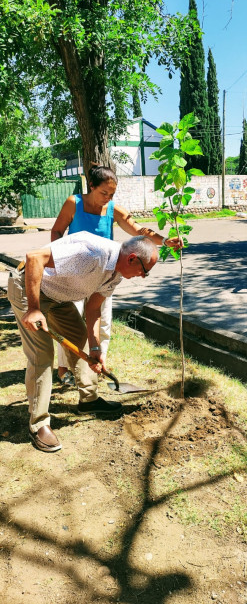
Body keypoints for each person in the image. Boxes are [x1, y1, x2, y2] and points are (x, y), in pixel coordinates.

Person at [7, 231, 159, 453]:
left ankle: (88, 400)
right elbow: (34, 257)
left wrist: (96, 348)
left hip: (59, 298)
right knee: (42, 356)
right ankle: (39, 424)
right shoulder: (92, 253)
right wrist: (34, 309)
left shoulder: (115, 273)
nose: (143, 276)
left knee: (81, 340)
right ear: (132, 258)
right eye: (144, 271)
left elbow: (93, 308)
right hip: (30, 290)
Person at [51, 164, 182, 384]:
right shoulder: (74, 203)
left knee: (103, 322)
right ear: (91, 186)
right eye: (104, 193)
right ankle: (65, 369)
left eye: (111, 194)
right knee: (71, 321)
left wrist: (164, 241)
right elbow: (57, 230)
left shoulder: (113, 210)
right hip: (75, 272)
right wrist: (57, 256)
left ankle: (97, 363)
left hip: (104, 273)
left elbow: (139, 230)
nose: (107, 198)